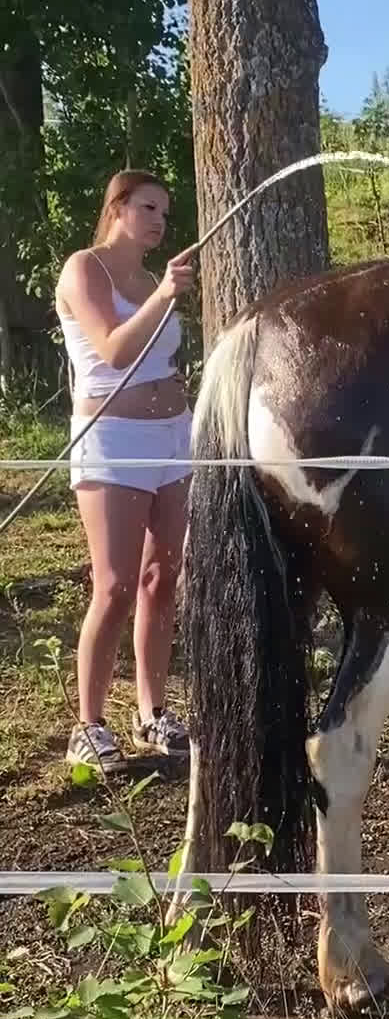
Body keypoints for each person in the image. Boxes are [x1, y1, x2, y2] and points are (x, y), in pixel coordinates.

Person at [55, 169, 196, 774]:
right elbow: (112, 349)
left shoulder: (148, 276)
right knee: (112, 585)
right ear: (117, 208)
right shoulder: (85, 268)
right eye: (148, 207)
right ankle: (87, 725)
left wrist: (162, 292)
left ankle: (152, 712)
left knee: (162, 576)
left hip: (174, 435)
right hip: (112, 439)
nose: (160, 219)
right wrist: (165, 296)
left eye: (164, 210)